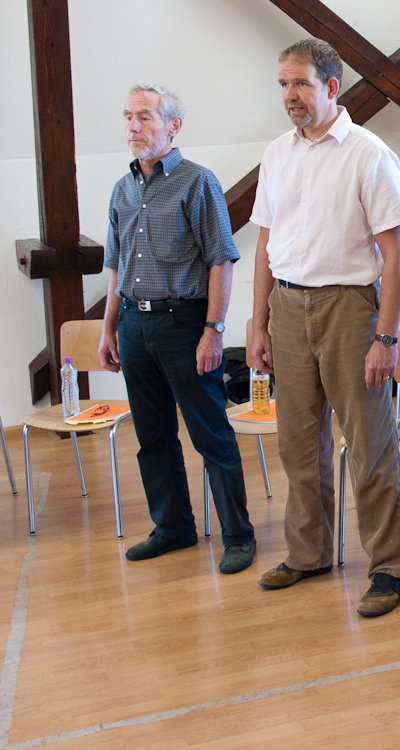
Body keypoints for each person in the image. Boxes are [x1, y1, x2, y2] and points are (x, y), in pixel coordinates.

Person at [249, 38, 400, 617]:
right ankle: (310, 552)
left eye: (300, 83)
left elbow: (396, 255)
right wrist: (258, 324)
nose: (290, 95)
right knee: (298, 443)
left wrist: (386, 338)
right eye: (283, 84)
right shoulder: (276, 154)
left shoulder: (369, 154)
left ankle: (391, 566)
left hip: (349, 310)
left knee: (368, 444)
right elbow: (265, 246)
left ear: (331, 86)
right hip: (287, 307)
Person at [98, 84, 256, 574]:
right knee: (152, 436)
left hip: (184, 324)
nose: (133, 126)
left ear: (173, 126)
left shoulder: (197, 182)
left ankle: (238, 536)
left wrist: (214, 330)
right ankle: (173, 528)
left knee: (209, 432)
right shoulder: (122, 190)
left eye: (145, 116)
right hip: (134, 324)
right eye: (129, 116)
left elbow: (221, 260)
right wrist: (108, 329)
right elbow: (115, 267)